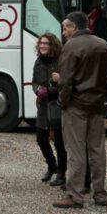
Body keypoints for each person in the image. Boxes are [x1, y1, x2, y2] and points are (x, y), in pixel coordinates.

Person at [52, 12, 107, 209]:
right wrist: (106, 90)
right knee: (97, 149)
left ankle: (75, 195)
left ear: (74, 27)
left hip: (76, 105)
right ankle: (100, 193)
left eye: (66, 27)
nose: (64, 31)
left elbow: (65, 81)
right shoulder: (102, 44)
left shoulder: (71, 46)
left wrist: (62, 102)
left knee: (75, 151)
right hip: (96, 103)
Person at [32, 33, 63, 183]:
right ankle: (52, 165)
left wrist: (49, 90)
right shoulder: (38, 61)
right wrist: (38, 90)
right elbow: (34, 82)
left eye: (46, 43)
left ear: (52, 46)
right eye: (41, 43)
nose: (42, 46)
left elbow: (64, 85)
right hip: (43, 105)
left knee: (59, 141)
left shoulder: (59, 61)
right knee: (40, 138)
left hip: (57, 105)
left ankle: (62, 173)